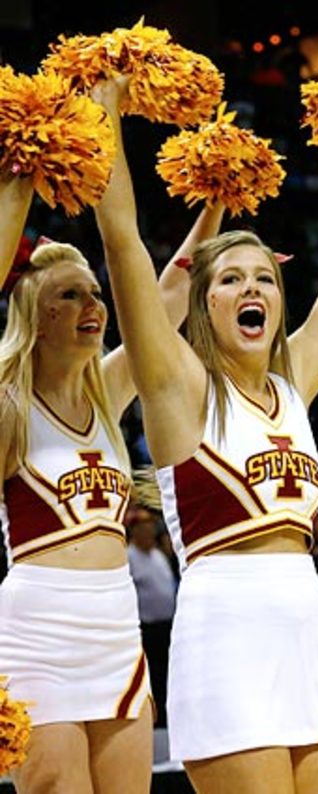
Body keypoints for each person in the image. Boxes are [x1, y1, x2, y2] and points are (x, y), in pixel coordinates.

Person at [91, 77, 318, 792]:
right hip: (225, 633)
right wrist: (105, 116)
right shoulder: (177, 388)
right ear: (202, 301)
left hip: (308, 631)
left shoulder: (295, 386)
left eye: (264, 278)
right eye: (230, 279)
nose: (252, 289)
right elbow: (125, 247)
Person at [0, 157, 219, 790]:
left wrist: (215, 202)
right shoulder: (9, 404)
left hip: (117, 629)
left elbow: (167, 298)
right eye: (69, 294)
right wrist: (15, 185)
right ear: (35, 314)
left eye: (94, 291)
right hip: (36, 632)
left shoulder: (107, 392)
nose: (93, 303)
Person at [126, 506, 179, 728]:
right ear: (134, 531)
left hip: (167, 625)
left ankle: (169, 718)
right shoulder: (129, 557)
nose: (149, 532)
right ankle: (156, 722)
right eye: (144, 528)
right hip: (145, 629)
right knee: (153, 676)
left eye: (151, 528)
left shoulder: (158, 554)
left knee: (169, 674)